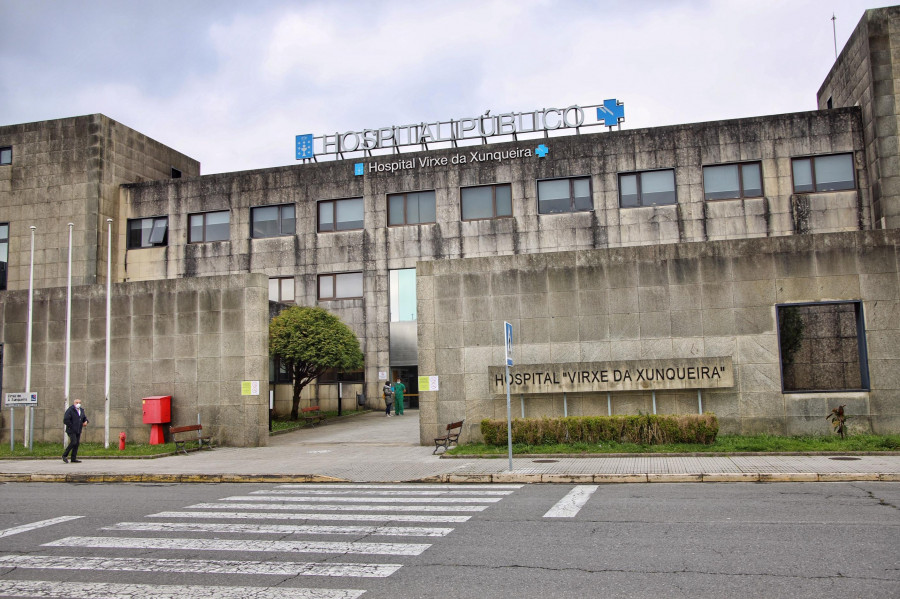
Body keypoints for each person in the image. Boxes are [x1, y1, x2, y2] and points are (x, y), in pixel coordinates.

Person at [62, 398, 89, 463]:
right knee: (73, 442)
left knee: (76, 444)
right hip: (71, 430)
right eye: (77, 402)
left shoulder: (81, 410)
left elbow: (84, 418)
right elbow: (66, 420)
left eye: (79, 402)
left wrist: (86, 421)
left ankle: (73, 458)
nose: (78, 404)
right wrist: (71, 426)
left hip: (78, 429)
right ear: (74, 403)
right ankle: (64, 455)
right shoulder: (70, 410)